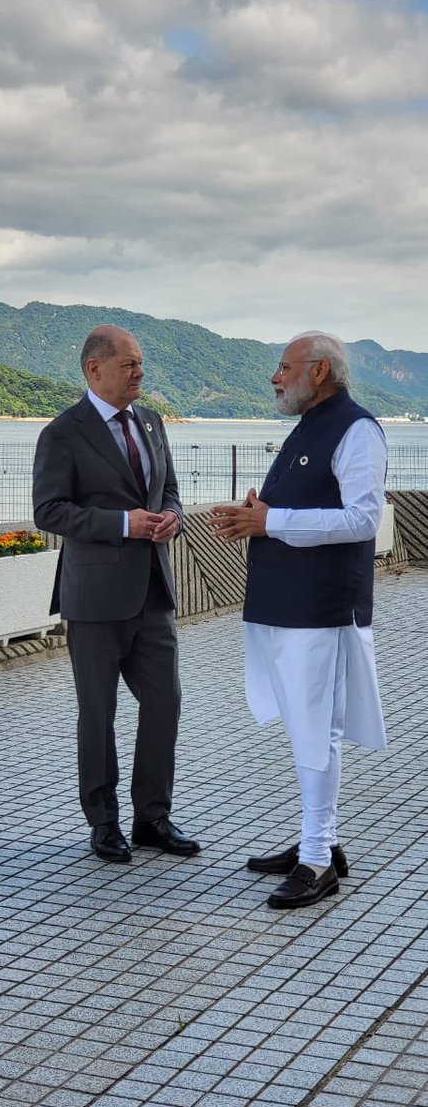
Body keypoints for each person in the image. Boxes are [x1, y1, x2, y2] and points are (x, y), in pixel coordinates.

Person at [212, 331, 387, 909]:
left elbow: (362, 520)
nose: (274, 378)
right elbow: (296, 510)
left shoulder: (357, 428)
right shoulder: (309, 426)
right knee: (308, 728)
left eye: (283, 368)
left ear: (318, 371)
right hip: (286, 605)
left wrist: (271, 520)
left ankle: (317, 860)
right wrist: (256, 516)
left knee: (318, 732)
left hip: (319, 608)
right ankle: (322, 841)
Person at [33, 325, 200, 863]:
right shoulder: (62, 433)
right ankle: (103, 822)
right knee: (97, 712)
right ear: (94, 369)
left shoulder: (151, 422)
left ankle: (153, 818)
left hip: (153, 590)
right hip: (95, 596)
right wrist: (123, 524)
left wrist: (171, 517)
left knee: (165, 704)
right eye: (129, 364)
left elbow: (168, 488)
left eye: (141, 363)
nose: (140, 374)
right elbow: (49, 511)